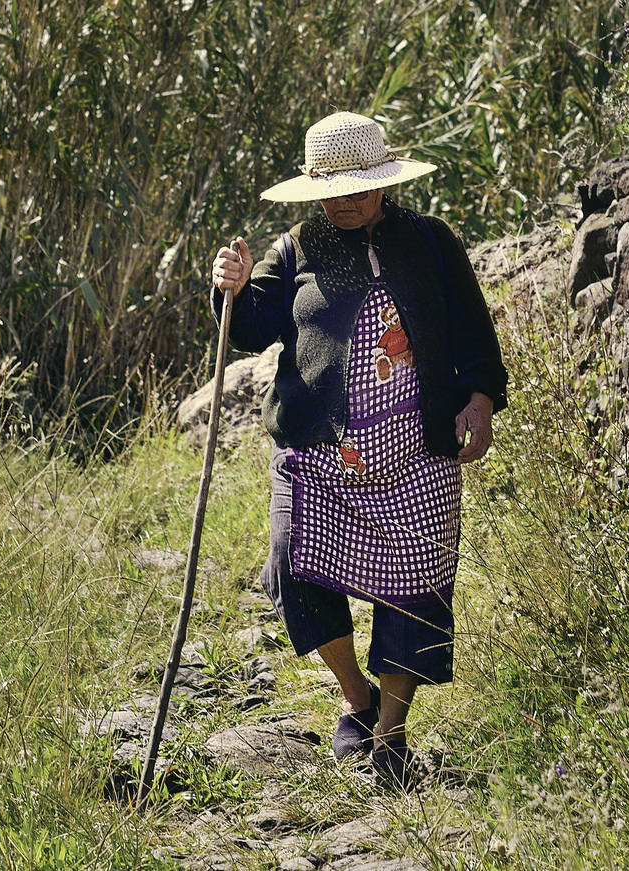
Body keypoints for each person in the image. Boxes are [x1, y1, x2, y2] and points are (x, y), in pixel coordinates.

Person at [208, 111, 507, 785]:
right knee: (293, 565)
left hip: (420, 451)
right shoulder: (295, 251)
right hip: (319, 453)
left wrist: (480, 398)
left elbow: (472, 330)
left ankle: (390, 738)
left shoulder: (430, 242)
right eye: (332, 190)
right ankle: (356, 697)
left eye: (360, 186)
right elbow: (250, 327)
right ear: (314, 191)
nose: (345, 201)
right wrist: (228, 283)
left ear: (385, 181)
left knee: (415, 587)